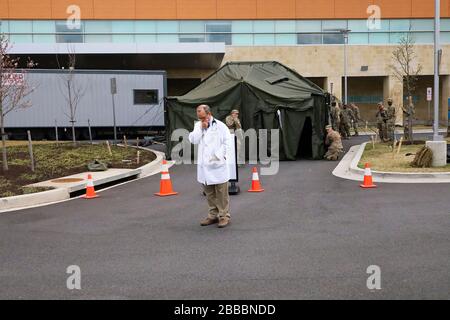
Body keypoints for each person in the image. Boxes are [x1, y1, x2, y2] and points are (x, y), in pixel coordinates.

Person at [189, 105, 232, 228]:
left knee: (221, 193)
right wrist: (200, 129)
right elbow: (193, 140)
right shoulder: (198, 125)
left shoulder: (220, 126)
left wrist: (218, 156)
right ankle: (213, 215)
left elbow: (227, 142)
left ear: (208, 113)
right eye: (198, 115)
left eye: (200, 113)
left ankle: (224, 216)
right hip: (205, 167)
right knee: (209, 193)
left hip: (218, 164)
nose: (199, 116)